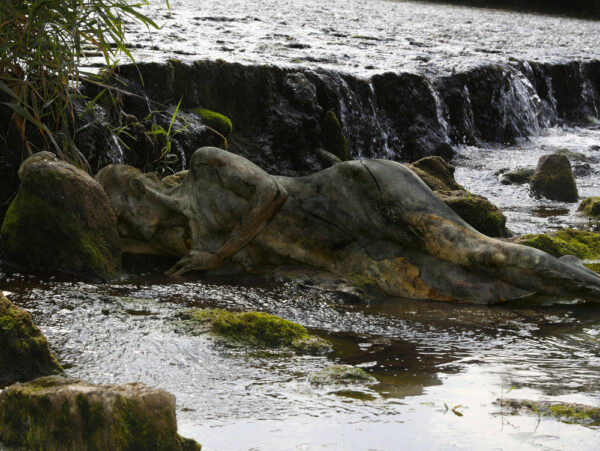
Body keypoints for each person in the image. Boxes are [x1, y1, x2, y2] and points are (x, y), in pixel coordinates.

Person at [97, 147, 600, 304]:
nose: (128, 221)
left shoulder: (203, 167)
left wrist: (220, 257)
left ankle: (591, 287)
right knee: (464, 289)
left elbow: (271, 194)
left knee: (479, 252)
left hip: (361, 194)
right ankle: (566, 274)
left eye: (123, 207)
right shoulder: (184, 238)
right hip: (346, 252)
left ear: (138, 189)